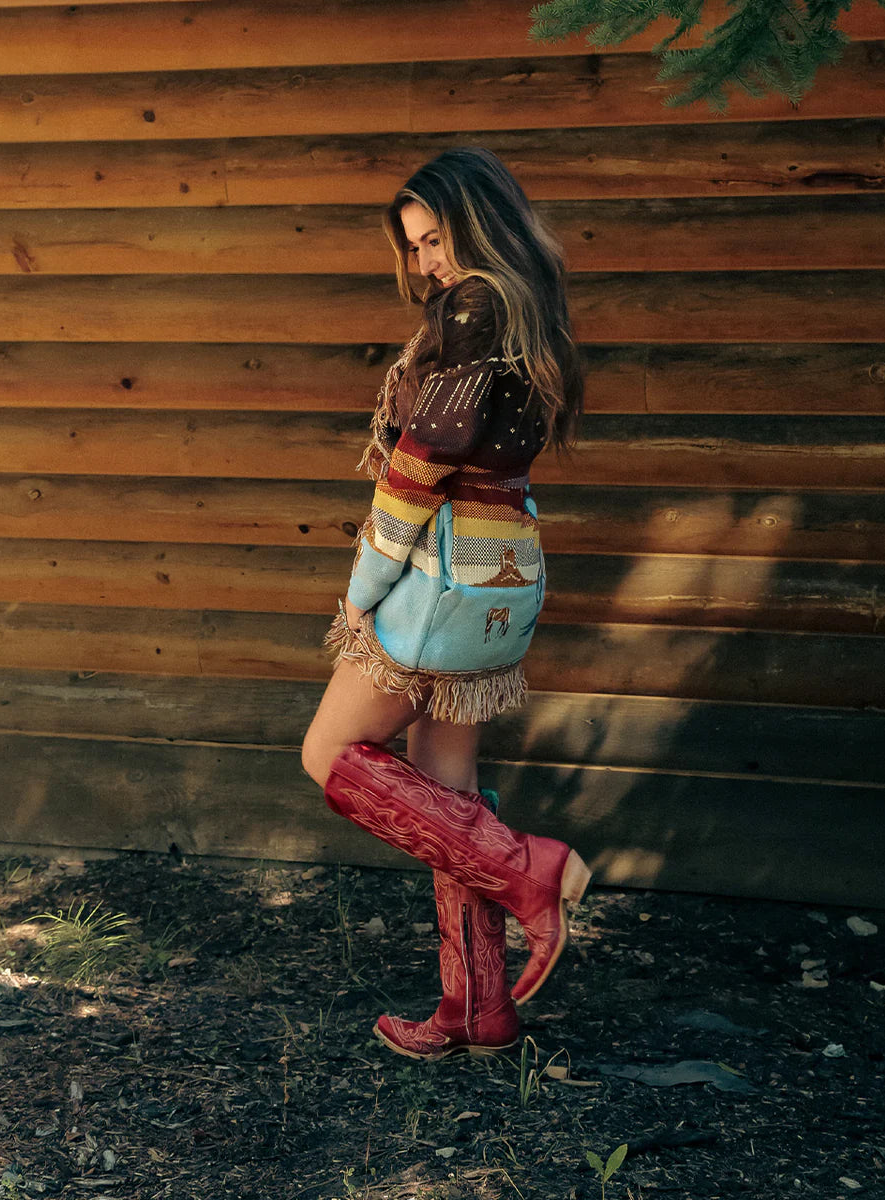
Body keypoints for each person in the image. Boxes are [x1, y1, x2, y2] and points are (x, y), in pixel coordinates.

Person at [301, 147, 589, 1061]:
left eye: (437, 239)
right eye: (417, 246)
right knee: (446, 791)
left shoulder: (475, 305)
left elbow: (426, 457)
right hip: (502, 572)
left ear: (480, 222)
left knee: (327, 754)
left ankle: (529, 870)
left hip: (439, 575)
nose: (428, 264)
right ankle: (477, 1009)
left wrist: (361, 590)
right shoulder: (529, 305)